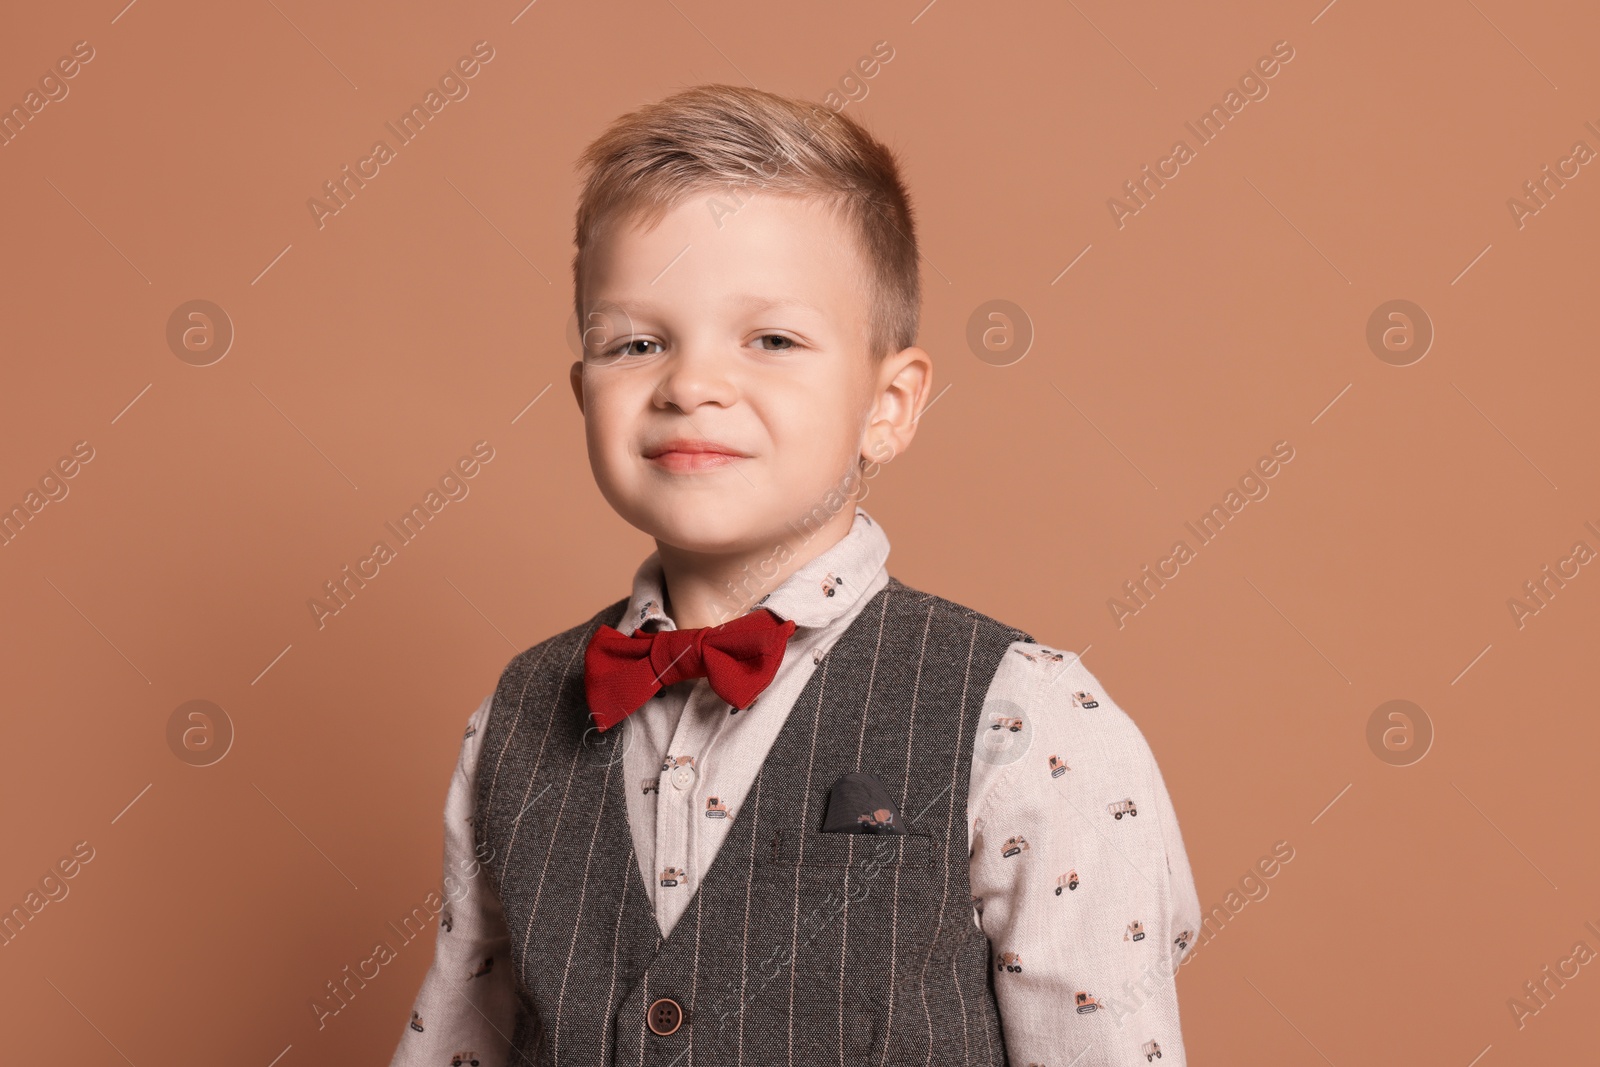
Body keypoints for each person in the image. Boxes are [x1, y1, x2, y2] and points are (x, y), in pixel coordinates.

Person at [389, 83, 1201, 1066]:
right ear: (584, 391)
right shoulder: (516, 717)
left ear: (888, 405)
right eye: (635, 342)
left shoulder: (1026, 721)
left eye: (771, 339)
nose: (691, 384)